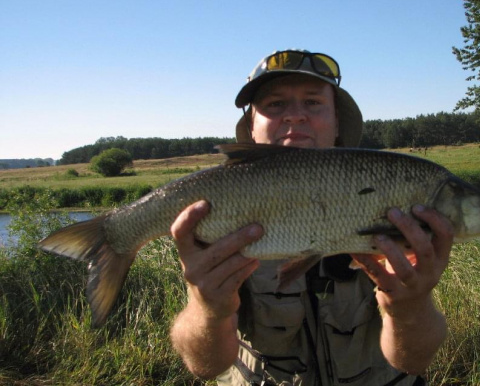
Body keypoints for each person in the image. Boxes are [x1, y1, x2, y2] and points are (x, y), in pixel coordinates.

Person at [169, 50, 454, 385]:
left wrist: (409, 305)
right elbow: (206, 367)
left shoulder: (383, 197)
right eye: (275, 104)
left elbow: (413, 360)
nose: (295, 116)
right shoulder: (220, 207)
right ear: (251, 126)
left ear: (337, 123)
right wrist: (209, 309)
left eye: (313, 102)